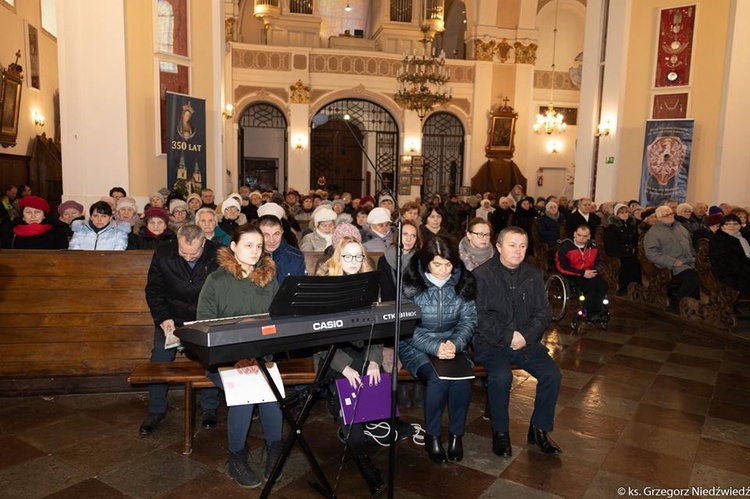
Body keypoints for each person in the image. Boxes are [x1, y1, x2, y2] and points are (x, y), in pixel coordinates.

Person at [197, 224, 283, 489]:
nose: (255, 251)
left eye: (259, 246)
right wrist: (234, 359)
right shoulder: (217, 280)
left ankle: (275, 450)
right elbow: (205, 324)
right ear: (233, 247)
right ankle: (236, 456)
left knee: (271, 395)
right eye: (248, 245)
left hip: (261, 356)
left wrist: (259, 357)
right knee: (245, 396)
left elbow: (278, 322)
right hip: (222, 359)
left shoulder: (269, 278)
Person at [472, 226, 561, 457]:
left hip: (525, 342)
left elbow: (543, 313)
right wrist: (508, 337)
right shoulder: (481, 275)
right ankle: (501, 433)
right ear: (499, 247)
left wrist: (525, 336)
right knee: (502, 377)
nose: (518, 251)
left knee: (552, 375)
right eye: (512, 245)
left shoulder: (533, 274)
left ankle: (539, 430)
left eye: (523, 246)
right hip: (491, 343)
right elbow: (479, 316)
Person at [315, 236, 385, 496]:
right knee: (351, 394)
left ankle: (360, 430)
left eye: (358, 256)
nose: (354, 262)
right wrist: (344, 367)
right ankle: (363, 459)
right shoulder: (325, 285)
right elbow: (319, 338)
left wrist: (374, 362)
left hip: (362, 348)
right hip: (332, 352)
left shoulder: (370, 284)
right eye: (348, 256)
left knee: (376, 383)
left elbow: (375, 330)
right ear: (337, 258)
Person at [399, 235, 477, 464]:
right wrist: (435, 347)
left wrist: (456, 343)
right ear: (425, 263)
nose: (443, 270)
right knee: (438, 379)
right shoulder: (411, 283)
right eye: (437, 264)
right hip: (416, 345)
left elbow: (469, 320)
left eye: (448, 264)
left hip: (453, 344)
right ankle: (432, 436)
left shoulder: (463, 281)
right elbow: (407, 326)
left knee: (461, 379)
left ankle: (456, 435)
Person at [140, 224, 220, 436]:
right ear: (177, 242)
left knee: (211, 355)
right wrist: (163, 318)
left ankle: (210, 406)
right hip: (172, 318)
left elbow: (223, 290)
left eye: (194, 253)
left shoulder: (219, 254)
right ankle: (156, 409)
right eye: (183, 252)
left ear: (204, 242)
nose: (188, 257)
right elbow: (154, 289)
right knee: (159, 353)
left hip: (206, 317)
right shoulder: (163, 253)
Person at [644, 206, 700, 311]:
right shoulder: (653, 232)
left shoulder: (680, 228)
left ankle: (693, 303)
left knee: (704, 276)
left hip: (689, 261)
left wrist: (693, 257)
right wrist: (672, 261)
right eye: (666, 215)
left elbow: (690, 245)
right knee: (692, 278)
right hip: (671, 265)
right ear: (659, 218)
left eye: (671, 214)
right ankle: (677, 303)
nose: (670, 217)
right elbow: (652, 253)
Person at [556, 224, 609, 318]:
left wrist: (594, 271)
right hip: (573, 274)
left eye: (584, 236)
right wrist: (582, 273)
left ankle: (599, 310)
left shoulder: (593, 247)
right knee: (591, 285)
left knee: (602, 284)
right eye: (579, 235)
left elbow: (600, 263)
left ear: (588, 237)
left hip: (590, 272)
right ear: (574, 234)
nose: (581, 239)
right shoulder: (566, 247)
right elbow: (562, 266)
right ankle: (591, 311)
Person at [1, 195, 69, 249]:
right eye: (28, 212)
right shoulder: (9, 232)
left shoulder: (57, 232)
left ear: (44, 216)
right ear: (23, 216)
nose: (33, 216)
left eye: (37, 212)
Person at [604, 203, 642, 294]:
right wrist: (627, 249)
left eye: (626, 212)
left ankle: (637, 286)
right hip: (619, 253)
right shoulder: (612, 228)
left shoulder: (632, 226)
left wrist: (634, 248)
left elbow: (636, 240)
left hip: (632, 252)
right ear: (617, 214)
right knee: (630, 262)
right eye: (621, 212)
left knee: (639, 260)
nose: (625, 214)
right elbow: (611, 245)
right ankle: (626, 287)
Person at [258, 213, 307, 283]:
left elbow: (301, 287)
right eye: (266, 235)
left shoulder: (296, 256)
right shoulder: (250, 257)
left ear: (282, 233)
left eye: (276, 234)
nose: (272, 240)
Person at [709, 214, 750, 293]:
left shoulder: (743, 237)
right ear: (722, 226)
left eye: (735, 224)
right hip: (729, 274)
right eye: (727, 224)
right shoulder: (719, 240)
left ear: (740, 226)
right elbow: (726, 262)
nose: (732, 226)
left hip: (742, 268)